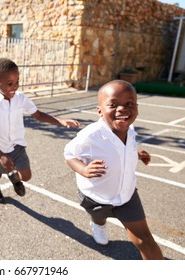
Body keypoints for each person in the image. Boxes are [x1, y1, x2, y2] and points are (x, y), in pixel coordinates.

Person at [63, 80, 163, 259]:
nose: (122, 109)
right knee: (99, 218)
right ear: (100, 110)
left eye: (129, 104)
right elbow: (69, 154)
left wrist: (137, 154)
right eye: (113, 104)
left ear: (137, 107)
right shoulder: (91, 134)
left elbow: (122, 148)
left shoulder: (130, 129)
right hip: (96, 197)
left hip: (127, 196)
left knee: (145, 241)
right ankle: (98, 225)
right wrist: (84, 170)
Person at [0, 58, 80, 203]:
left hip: (16, 146)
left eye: (17, 82)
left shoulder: (21, 99)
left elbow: (38, 115)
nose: (15, 87)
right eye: (10, 84)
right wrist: (0, 155)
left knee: (26, 176)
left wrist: (60, 121)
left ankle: (14, 177)